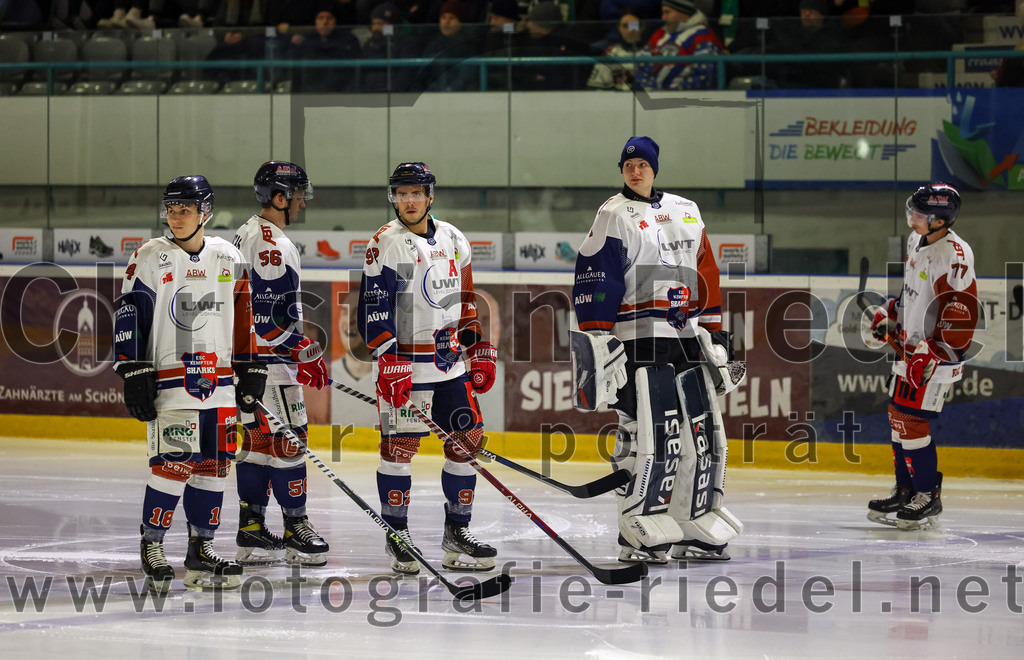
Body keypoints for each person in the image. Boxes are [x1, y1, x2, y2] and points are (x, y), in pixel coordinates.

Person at [570, 136, 742, 563]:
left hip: (685, 337)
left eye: (642, 164)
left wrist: (716, 331)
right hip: (636, 339)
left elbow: (707, 272)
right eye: (628, 165)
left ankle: (693, 518)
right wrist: (598, 338)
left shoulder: (687, 210)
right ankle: (636, 525)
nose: (635, 170)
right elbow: (596, 277)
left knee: (701, 433)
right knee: (646, 433)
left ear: (654, 168)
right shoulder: (613, 213)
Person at [114, 175, 266, 593]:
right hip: (171, 381)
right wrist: (133, 369)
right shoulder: (150, 255)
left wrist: (251, 365)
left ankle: (202, 548)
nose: (176, 216)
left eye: (185, 209)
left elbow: (243, 316)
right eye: (171, 208)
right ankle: (153, 545)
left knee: (215, 467)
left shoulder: (227, 256)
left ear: (206, 212)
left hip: (219, 385)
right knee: (172, 465)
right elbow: (130, 313)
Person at [358, 162, 499, 574]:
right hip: (404, 369)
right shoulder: (386, 242)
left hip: (449, 365)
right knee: (399, 453)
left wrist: (478, 347)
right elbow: (373, 306)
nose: (408, 201)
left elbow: (466, 300)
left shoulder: (454, 238)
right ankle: (397, 535)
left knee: (467, 443)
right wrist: (387, 357)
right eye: (401, 194)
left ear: (430, 195)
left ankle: (457, 533)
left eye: (415, 193)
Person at [232, 161, 331, 566]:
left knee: (257, 447)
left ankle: (251, 529)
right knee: (290, 442)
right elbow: (270, 321)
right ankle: (296, 527)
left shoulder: (245, 232)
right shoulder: (272, 243)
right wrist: (302, 351)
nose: (303, 202)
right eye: (298, 194)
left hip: (245, 362)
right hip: (269, 364)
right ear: (279, 197)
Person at [867, 183, 979, 531]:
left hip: (934, 358)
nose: (911, 217)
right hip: (910, 350)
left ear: (940, 221)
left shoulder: (955, 255)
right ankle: (906, 490)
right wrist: (892, 313)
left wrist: (932, 351)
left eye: (919, 213)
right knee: (897, 419)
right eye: (912, 210)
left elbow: (960, 311)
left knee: (913, 423)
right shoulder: (918, 241)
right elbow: (913, 292)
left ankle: (927, 494)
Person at [634, 0, 725, 90]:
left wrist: (674, 94)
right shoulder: (660, 34)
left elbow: (706, 74)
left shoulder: (703, 35)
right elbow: (642, 66)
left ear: (684, 13)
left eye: (667, 12)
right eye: (663, 12)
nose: (663, 17)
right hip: (656, 98)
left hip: (691, 100)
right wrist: (650, 91)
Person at [586, 8, 645, 90]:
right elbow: (594, 88)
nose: (630, 31)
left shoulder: (651, 53)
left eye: (633, 26)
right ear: (619, 28)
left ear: (642, 27)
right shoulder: (611, 53)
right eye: (625, 26)